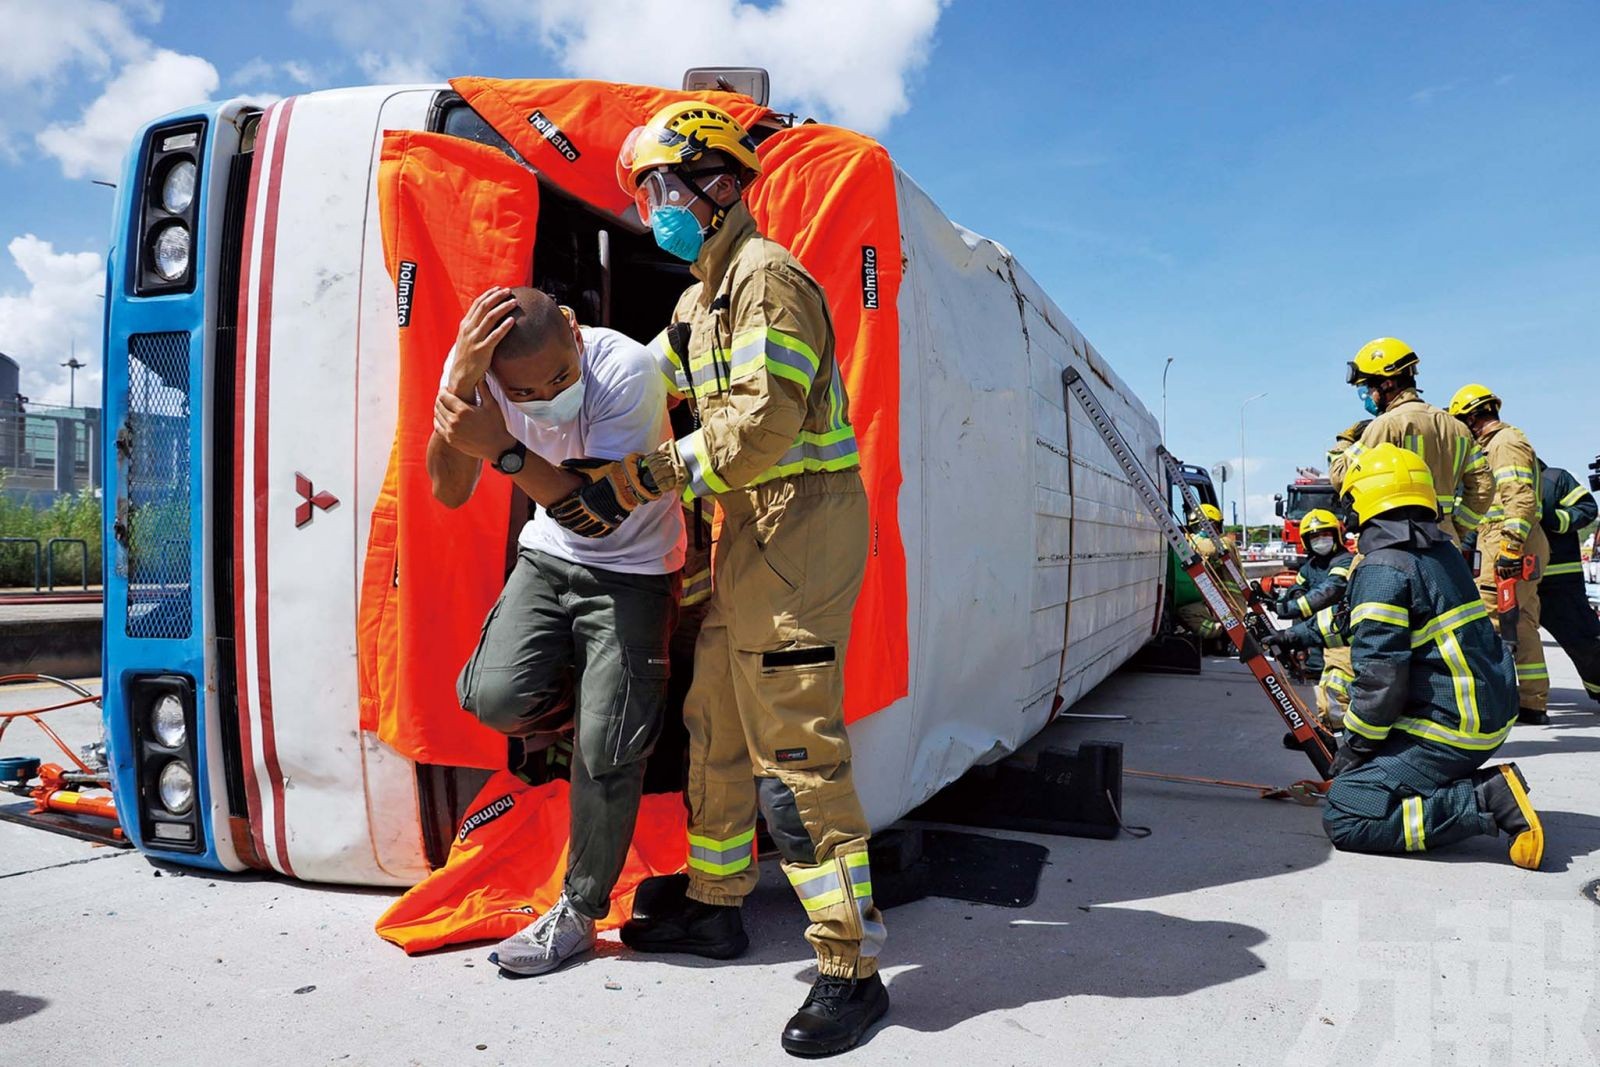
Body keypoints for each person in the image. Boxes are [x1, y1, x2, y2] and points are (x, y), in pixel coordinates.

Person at [547, 101, 887, 1056]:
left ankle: (850, 969)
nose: (652, 204)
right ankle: (715, 903)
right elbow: (651, 378)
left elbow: (758, 428)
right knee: (716, 723)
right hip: (750, 530)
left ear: (722, 184)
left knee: (798, 751)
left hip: (802, 524)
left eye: (662, 184)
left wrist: (635, 482)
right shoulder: (703, 298)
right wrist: (570, 351)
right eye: (646, 189)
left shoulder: (766, 280)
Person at [427, 286, 685, 976]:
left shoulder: (627, 370)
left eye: (560, 378)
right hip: (548, 556)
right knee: (492, 698)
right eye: (528, 390)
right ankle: (607, 710)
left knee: (608, 751)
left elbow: (598, 515)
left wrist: (505, 449)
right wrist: (455, 392)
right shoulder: (480, 381)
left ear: (573, 330)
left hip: (633, 565)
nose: (547, 394)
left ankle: (578, 908)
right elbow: (447, 490)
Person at [1313, 443, 1543, 868]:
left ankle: (1485, 799)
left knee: (1347, 810)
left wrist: (1355, 749)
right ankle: (1465, 789)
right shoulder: (1443, 555)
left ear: (1361, 501)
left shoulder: (1383, 568)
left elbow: (1381, 680)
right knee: (1367, 783)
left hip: (1451, 727)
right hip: (1487, 710)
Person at [1448, 383, 1551, 725]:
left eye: (1462, 423)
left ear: (1475, 417)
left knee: (1497, 619)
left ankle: (1504, 702)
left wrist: (1509, 547)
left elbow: (1519, 498)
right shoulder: (1496, 445)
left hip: (1507, 542)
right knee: (1519, 621)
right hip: (1504, 540)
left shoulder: (1505, 444)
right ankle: (1532, 701)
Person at [1329, 337, 1492, 546]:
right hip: (1447, 543)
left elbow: (1341, 476)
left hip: (1395, 541)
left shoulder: (1386, 425)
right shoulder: (1458, 428)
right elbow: (1483, 487)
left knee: (1360, 578)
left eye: (1369, 387)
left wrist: (1345, 440)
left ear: (1387, 383)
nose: (1368, 394)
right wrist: (1455, 527)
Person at [1274, 509, 1355, 729]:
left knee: (1338, 694)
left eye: (1325, 534)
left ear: (1336, 535)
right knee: (1322, 692)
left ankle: (1339, 736)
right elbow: (1297, 587)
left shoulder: (1345, 561)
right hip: (1316, 641)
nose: (1320, 540)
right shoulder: (1309, 567)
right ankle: (1324, 731)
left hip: (1341, 642)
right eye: (1314, 536)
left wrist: (1291, 607)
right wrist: (1295, 595)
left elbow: (1331, 590)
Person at [1537, 461, 1600, 704]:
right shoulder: (1490, 482)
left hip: (1558, 580)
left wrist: (1555, 519)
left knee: (1584, 641)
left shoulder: (1554, 479)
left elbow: (1586, 508)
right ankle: (1527, 700)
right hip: (1513, 580)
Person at [1175, 503, 1238, 647]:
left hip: (1230, 605)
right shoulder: (1217, 543)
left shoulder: (1224, 543)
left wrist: (1188, 539)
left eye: (1199, 528)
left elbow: (1206, 548)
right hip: (1224, 602)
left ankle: (1222, 633)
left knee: (1186, 612)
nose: (1197, 532)